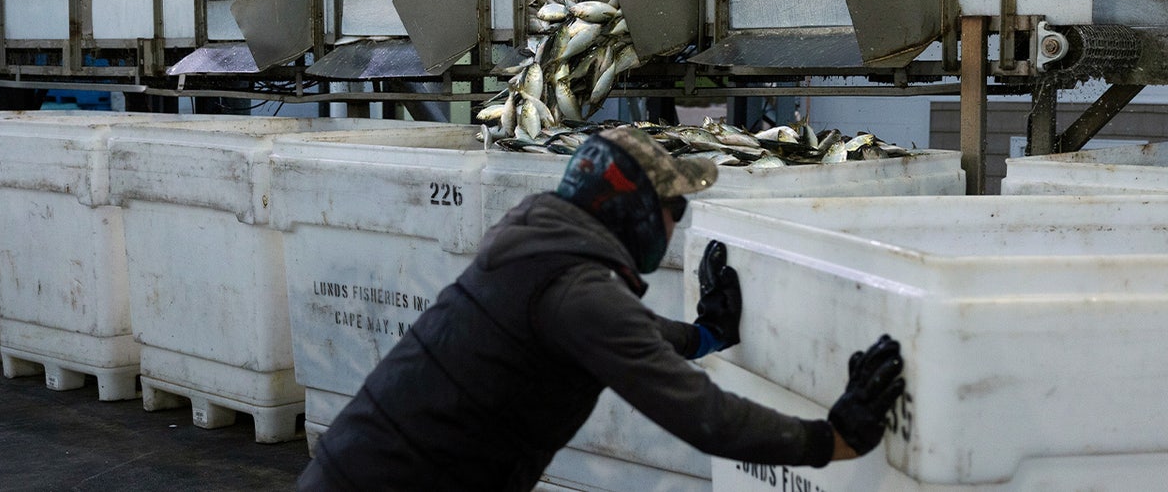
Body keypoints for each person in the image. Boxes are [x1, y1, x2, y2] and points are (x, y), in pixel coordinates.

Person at [298, 125, 905, 491]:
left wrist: (705, 336)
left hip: (365, 470)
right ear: (634, 212)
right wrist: (834, 439)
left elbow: (618, 329)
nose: (676, 224)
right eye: (677, 209)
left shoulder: (534, 248)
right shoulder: (575, 292)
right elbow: (702, 416)